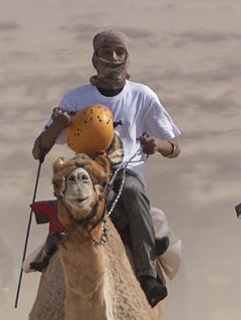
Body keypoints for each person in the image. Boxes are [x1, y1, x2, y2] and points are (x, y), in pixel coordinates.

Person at [30, 30, 181, 305]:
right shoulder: (76, 98)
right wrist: (59, 126)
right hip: (88, 173)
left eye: (119, 52)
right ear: (95, 58)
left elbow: (174, 147)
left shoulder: (142, 95)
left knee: (134, 194)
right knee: (77, 199)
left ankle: (148, 276)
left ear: (127, 58)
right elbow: (39, 150)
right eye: (107, 52)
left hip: (127, 172)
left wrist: (156, 145)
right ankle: (52, 260)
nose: (113, 58)